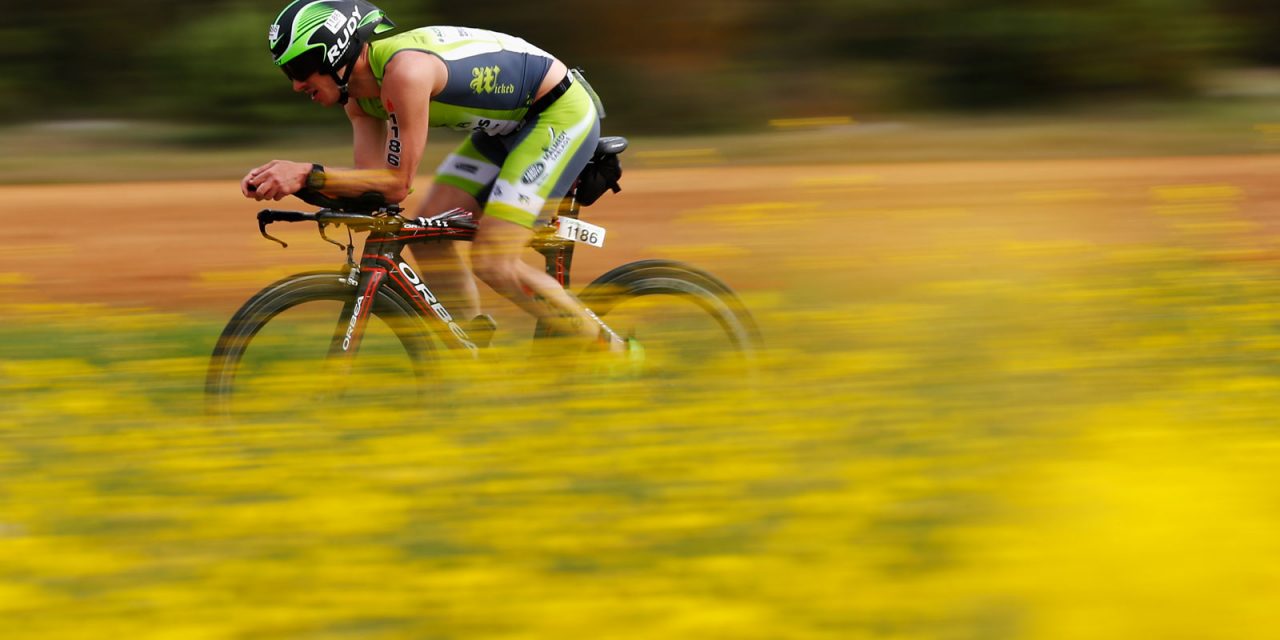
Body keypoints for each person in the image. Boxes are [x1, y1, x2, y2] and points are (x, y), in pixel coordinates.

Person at [242, 0, 631, 355]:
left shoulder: (405, 73)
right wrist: (301, 188)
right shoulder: (360, 102)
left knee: (495, 261)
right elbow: (372, 188)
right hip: (505, 130)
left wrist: (307, 174)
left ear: (334, 53)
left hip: (557, 114)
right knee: (430, 238)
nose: (295, 84)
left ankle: (617, 354)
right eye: (287, 72)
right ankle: (474, 351)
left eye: (299, 69)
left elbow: (395, 182)